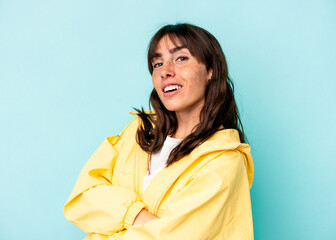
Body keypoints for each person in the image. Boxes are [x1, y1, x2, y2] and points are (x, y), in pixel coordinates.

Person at [64, 23, 254, 240]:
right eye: (157, 63)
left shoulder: (224, 162)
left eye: (181, 58)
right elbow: (81, 198)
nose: (165, 71)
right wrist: (138, 216)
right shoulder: (138, 132)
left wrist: (109, 219)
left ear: (211, 70)